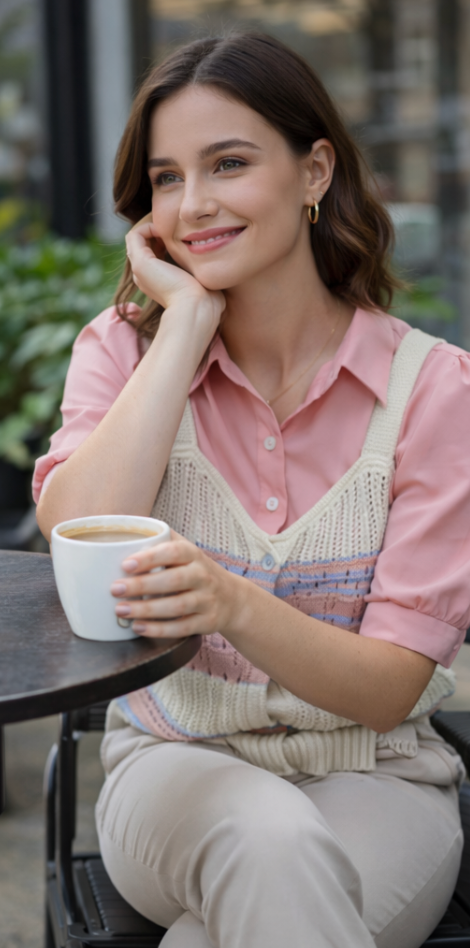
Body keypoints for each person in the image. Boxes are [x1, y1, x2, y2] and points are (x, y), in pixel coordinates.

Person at [34, 31, 470, 948]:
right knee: (264, 841)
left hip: (380, 781)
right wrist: (185, 323)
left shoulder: (433, 392)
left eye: (227, 163)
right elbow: (74, 527)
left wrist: (231, 602)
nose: (193, 205)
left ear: (315, 172)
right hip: (172, 772)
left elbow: (390, 691)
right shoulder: (122, 355)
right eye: (165, 179)